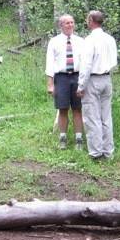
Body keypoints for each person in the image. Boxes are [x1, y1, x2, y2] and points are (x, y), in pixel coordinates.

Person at [76, 10, 118, 160]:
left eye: (88, 19)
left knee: (92, 116)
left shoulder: (89, 40)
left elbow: (86, 65)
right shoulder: (110, 39)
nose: (87, 21)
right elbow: (114, 61)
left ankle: (96, 152)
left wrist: (81, 86)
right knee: (106, 116)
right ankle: (108, 151)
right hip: (107, 79)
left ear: (92, 20)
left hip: (93, 79)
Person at [45, 14, 85, 150]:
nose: (70, 25)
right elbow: (49, 63)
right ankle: (63, 137)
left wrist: (84, 83)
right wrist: (50, 84)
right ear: (61, 25)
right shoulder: (54, 41)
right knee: (62, 108)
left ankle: (79, 139)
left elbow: (85, 63)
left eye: (72, 22)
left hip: (77, 76)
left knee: (77, 108)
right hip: (61, 77)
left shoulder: (80, 41)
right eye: (67, 23)